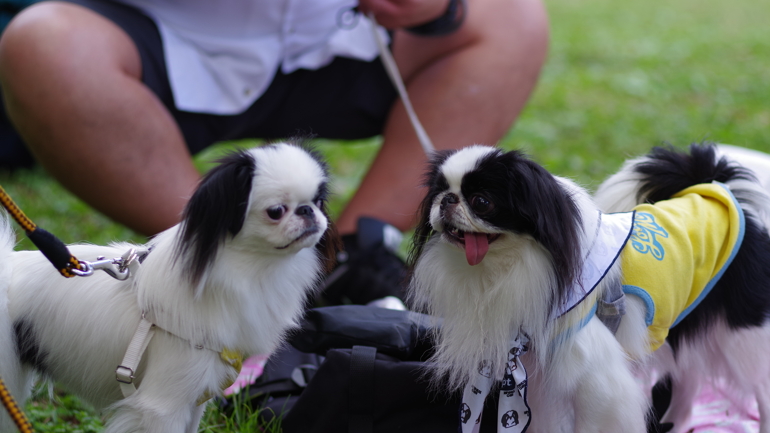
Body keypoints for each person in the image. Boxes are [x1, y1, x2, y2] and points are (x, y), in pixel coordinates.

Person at [0, 0, 548, 301]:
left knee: (513, 14)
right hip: (164, 33)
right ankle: (213, 251)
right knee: (43, 42)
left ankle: (350, 255)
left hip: (342, 30)